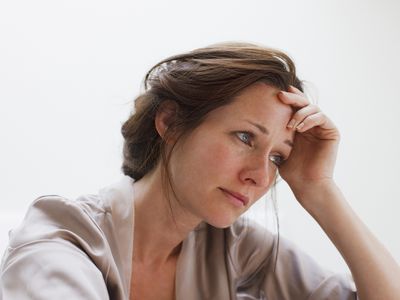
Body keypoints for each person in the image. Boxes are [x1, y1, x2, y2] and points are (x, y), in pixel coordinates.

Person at [0, 42, 399, 300]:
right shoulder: (63, 235)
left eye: (278, 157)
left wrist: (318, 188)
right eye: (245, 137)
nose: (260, 176)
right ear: (170, 122)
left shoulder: (238, 246)